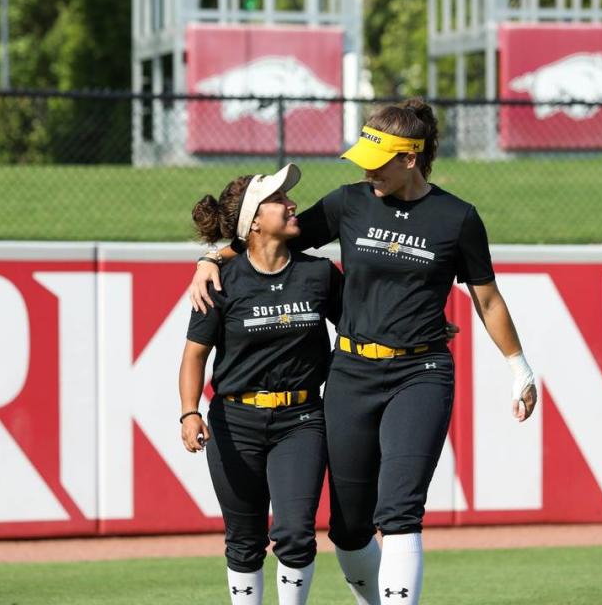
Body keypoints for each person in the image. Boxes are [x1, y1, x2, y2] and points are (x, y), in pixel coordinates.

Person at [190, 99, 538, 605]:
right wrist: (210, 256)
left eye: (377, 161)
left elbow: (487, 298)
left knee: (399, 509)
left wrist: (519, 367)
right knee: (348, 528)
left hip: (422, 372)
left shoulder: (457, 218)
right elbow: (265, 240)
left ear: (410, 159)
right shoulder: (348, 202)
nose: (367, 169)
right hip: (350, 373)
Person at [178, 164, 343, 605]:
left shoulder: (320, 274)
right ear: (253, 220)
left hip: (302, 419)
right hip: (235, 422)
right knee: (245, 541)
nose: (292, 204)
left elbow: (360, 328)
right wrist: (190, 412)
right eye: (279, 200)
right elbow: (194, 355)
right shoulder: (218, 282)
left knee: (295, 533)